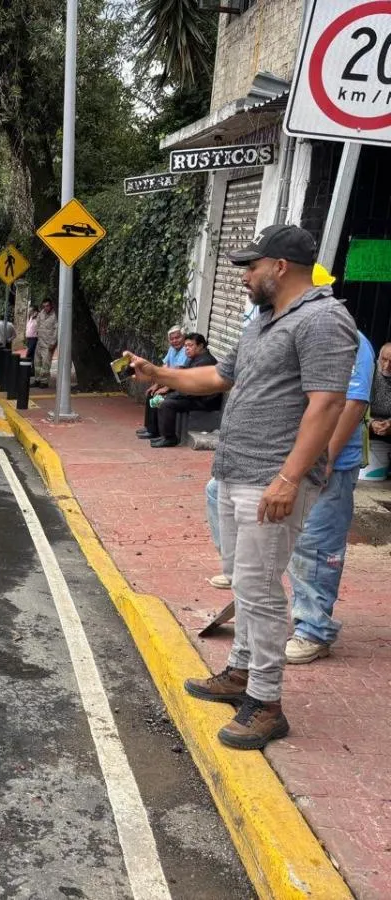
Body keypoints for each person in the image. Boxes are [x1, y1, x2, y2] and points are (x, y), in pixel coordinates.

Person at [125, 224, 357, 750]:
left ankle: (267, 703)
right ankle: (240, 672)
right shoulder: (262, 322)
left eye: (250, 266)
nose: (244, 277)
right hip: (234, 471)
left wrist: (289, 478)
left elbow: (327, 405)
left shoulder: (323, 319)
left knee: (259, 590)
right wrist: (156, 370)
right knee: (245, 585)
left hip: (271, 479)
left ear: (280, 266)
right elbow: (216, 378)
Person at [285, 332, 376, 664]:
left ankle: (313, 631)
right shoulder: (298, 330)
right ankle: (297, 612)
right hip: (296, 456)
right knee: (292, 540)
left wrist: (327, 458)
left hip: (330, 465)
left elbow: (354, 402)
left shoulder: (348, 339)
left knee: (317, 544)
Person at [148, 333, 221, 448]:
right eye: (186, 346)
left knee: (166, 403)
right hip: (194, 396)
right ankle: (157, 432)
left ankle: (170, 438)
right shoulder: (194, 359)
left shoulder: (205, 362)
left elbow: (193, 388)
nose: (186, 348)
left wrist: (173, 395)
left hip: (204, 400)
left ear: (200, 346)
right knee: (160, 397)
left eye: (190, 345)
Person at [135, 326, 188, 441]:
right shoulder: (172, 349)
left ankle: (154, 431)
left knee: (157, 398)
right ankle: (149, 427)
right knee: (151, 393)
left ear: (183, 337)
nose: (175, 341)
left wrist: (167, 388)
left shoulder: (185, 351)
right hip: (168, 381)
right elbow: (164, 368)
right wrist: (157, 384)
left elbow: (178, 373)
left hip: (178, 384)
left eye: (177, 338)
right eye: (172, 339)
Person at [360, 341, 391, 481]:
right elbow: (355, 405)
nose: (387, 366)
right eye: (384, 359)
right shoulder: (368, 373)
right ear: (378, 357)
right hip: (365, 423)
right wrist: (371, 423)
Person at [33, 300, 58, 386]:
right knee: (37, 363)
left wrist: (53, 342)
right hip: (40, 342)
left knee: (45, 364)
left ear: (51, 306)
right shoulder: (41, 314)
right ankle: (37, 380)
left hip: (48, 344)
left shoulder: (55, 316)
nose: (45, 308)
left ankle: (44, 381)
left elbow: (56, 330)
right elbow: (38, 324)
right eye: (44, 306)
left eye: (47, 306)